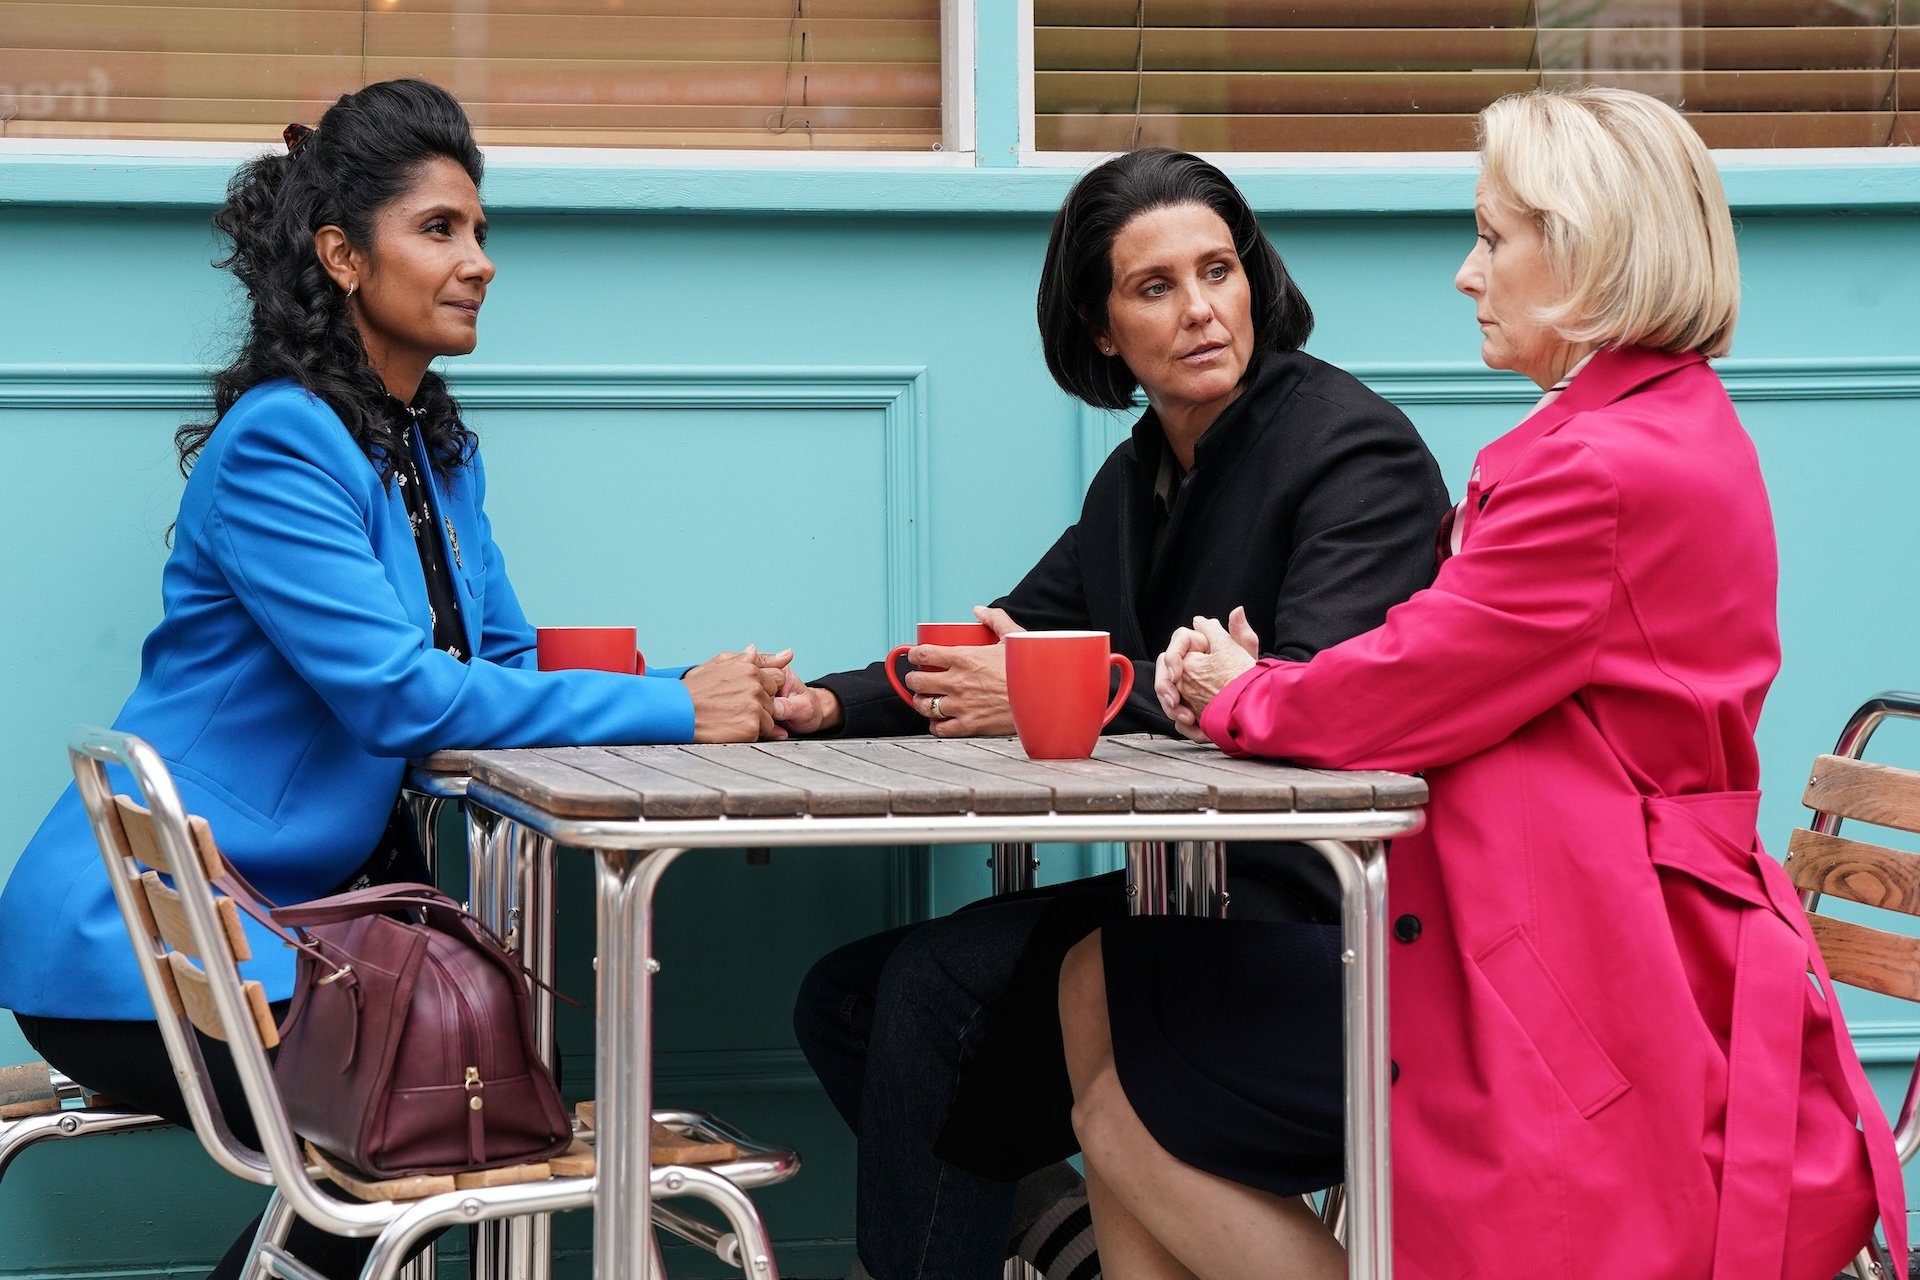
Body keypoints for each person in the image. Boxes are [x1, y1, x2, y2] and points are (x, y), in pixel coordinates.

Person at [0, 79, 787, 1280]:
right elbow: (402, 696)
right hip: (149, 954)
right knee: (436, 1114)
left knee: (476, 1089)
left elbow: (502, 662)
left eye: (481, 231)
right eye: (439, 229)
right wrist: (682, 710)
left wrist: (710, 687)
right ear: (342, 255)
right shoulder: (284, 438)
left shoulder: (428, 445)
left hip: (281, 931)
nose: (478, 260)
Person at [1123, 87, 1904, 1279]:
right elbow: (1451, 657)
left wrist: (1243, 692)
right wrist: (1264, 680)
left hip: (1585, 986)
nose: (1466, 273)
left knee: (1127, 1075)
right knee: (1124, 1046)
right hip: (1587, 950)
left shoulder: (1602, 467)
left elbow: (1414, 684)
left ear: (1586, 250)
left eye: (1493, 237)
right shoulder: (1647, 432)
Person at [776, 148, 1449, 1280]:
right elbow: (1003, 646)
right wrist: (813, 705)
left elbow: (1311, 693)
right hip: (1189, 900)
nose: (1200, 311)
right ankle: (1073, 1246)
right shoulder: (1135, 481)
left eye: (1219, 271)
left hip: (1325, 923)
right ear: (1100, 329)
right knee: (844, 996)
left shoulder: (1351, 450)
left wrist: (1073, 687)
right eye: (1154, 287)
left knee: (939, 992)